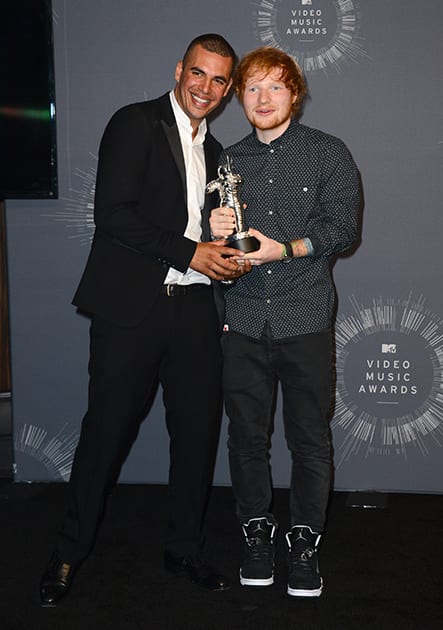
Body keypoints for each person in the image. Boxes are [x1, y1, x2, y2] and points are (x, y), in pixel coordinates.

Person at [39, 33, 251, 607]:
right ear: (180, 69)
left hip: (195, 313)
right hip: (133, 309)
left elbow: (206, 232)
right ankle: (66, 555)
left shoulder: (219, 153)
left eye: (219, 80)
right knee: (104, 434)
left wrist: (222, 255)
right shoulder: (134, 123)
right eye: (198, 73)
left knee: (197, 436)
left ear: (229, 89)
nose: (206, 88)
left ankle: (184, 548)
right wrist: (191, 253)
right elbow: (112, 216)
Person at [210, 47, 361, 598]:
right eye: (252, 88)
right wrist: (216, 228)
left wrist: (288, 249)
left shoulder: (328, 153)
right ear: (239, 96)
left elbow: (343, 228)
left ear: (294, 94)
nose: (263, 98)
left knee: (308, 441)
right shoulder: (226, 160)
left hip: (304, 320)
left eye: (275, 87)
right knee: (246, 439)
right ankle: (255, 535)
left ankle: (304, 544)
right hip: (244, 322)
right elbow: (215, 253)